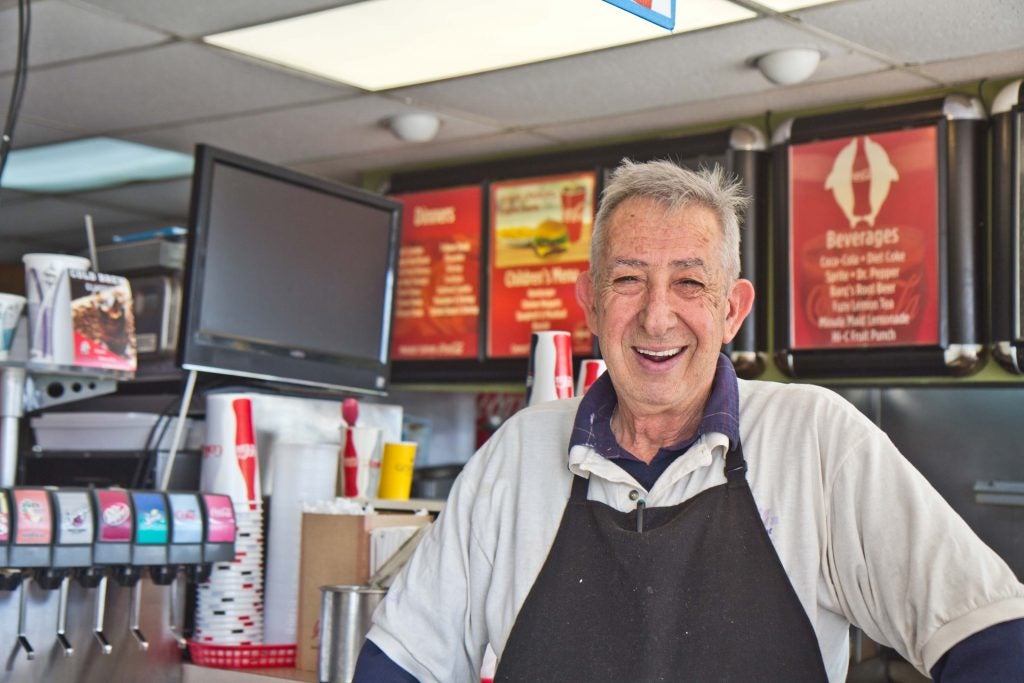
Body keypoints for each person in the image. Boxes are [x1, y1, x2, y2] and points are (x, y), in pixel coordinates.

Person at [355, 159, 1024, 681]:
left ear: (732, 309)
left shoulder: (814, 441)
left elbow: (993, 633)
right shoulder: (516, 457)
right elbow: (402, 661)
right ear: (589, 302)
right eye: (628, 280)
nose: (655, 315)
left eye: (689, 282)